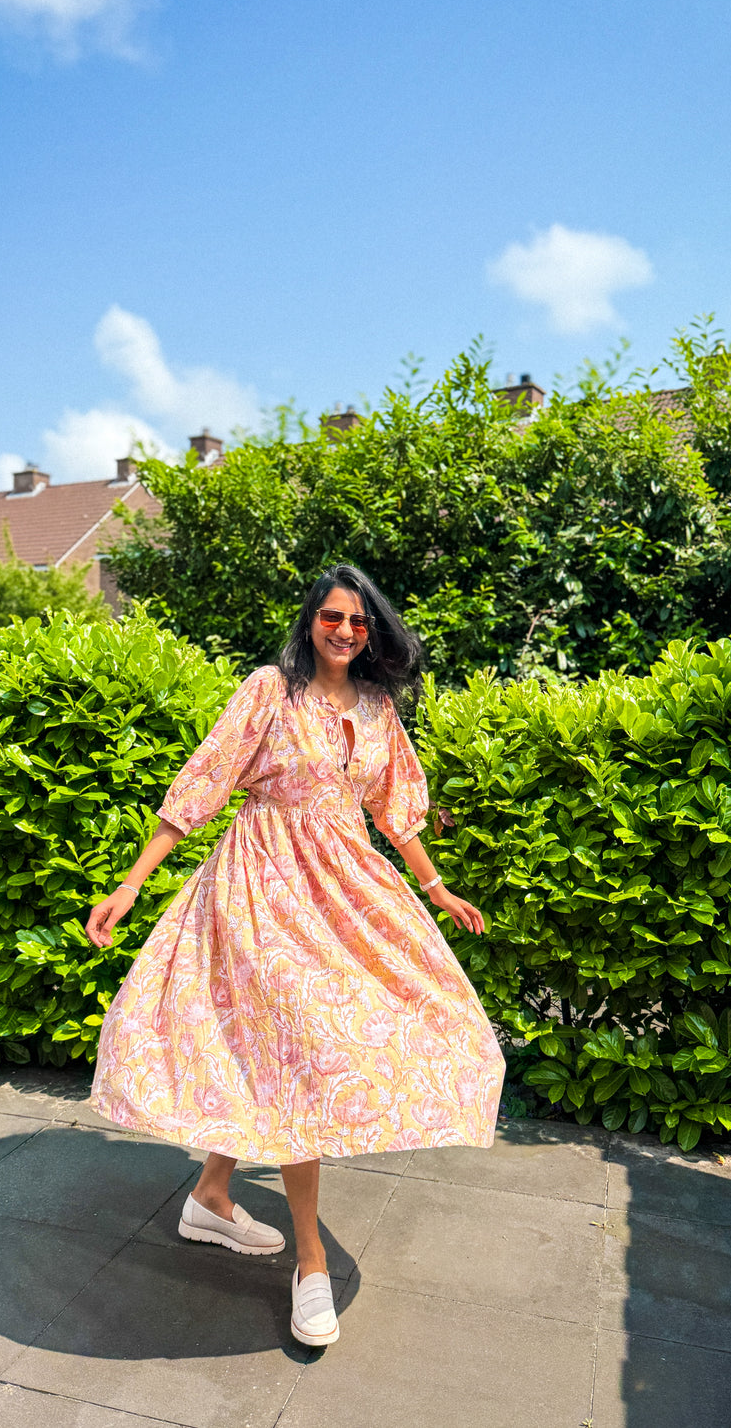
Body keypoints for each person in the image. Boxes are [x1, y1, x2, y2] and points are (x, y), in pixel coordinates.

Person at [86, 564, 505, 1348]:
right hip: (262, 884)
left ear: (370, 631)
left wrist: (436, 887)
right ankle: (311, 1264)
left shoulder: (379, 707)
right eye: (332, 617)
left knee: (284, 1055)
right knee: (299, 1052)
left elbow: (396, 808)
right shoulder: (268, 690)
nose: (345, 631)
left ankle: (211, 1192)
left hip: (344, 888)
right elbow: (202, 784)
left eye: (358, 622)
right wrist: (132, 885)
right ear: (310, 618)